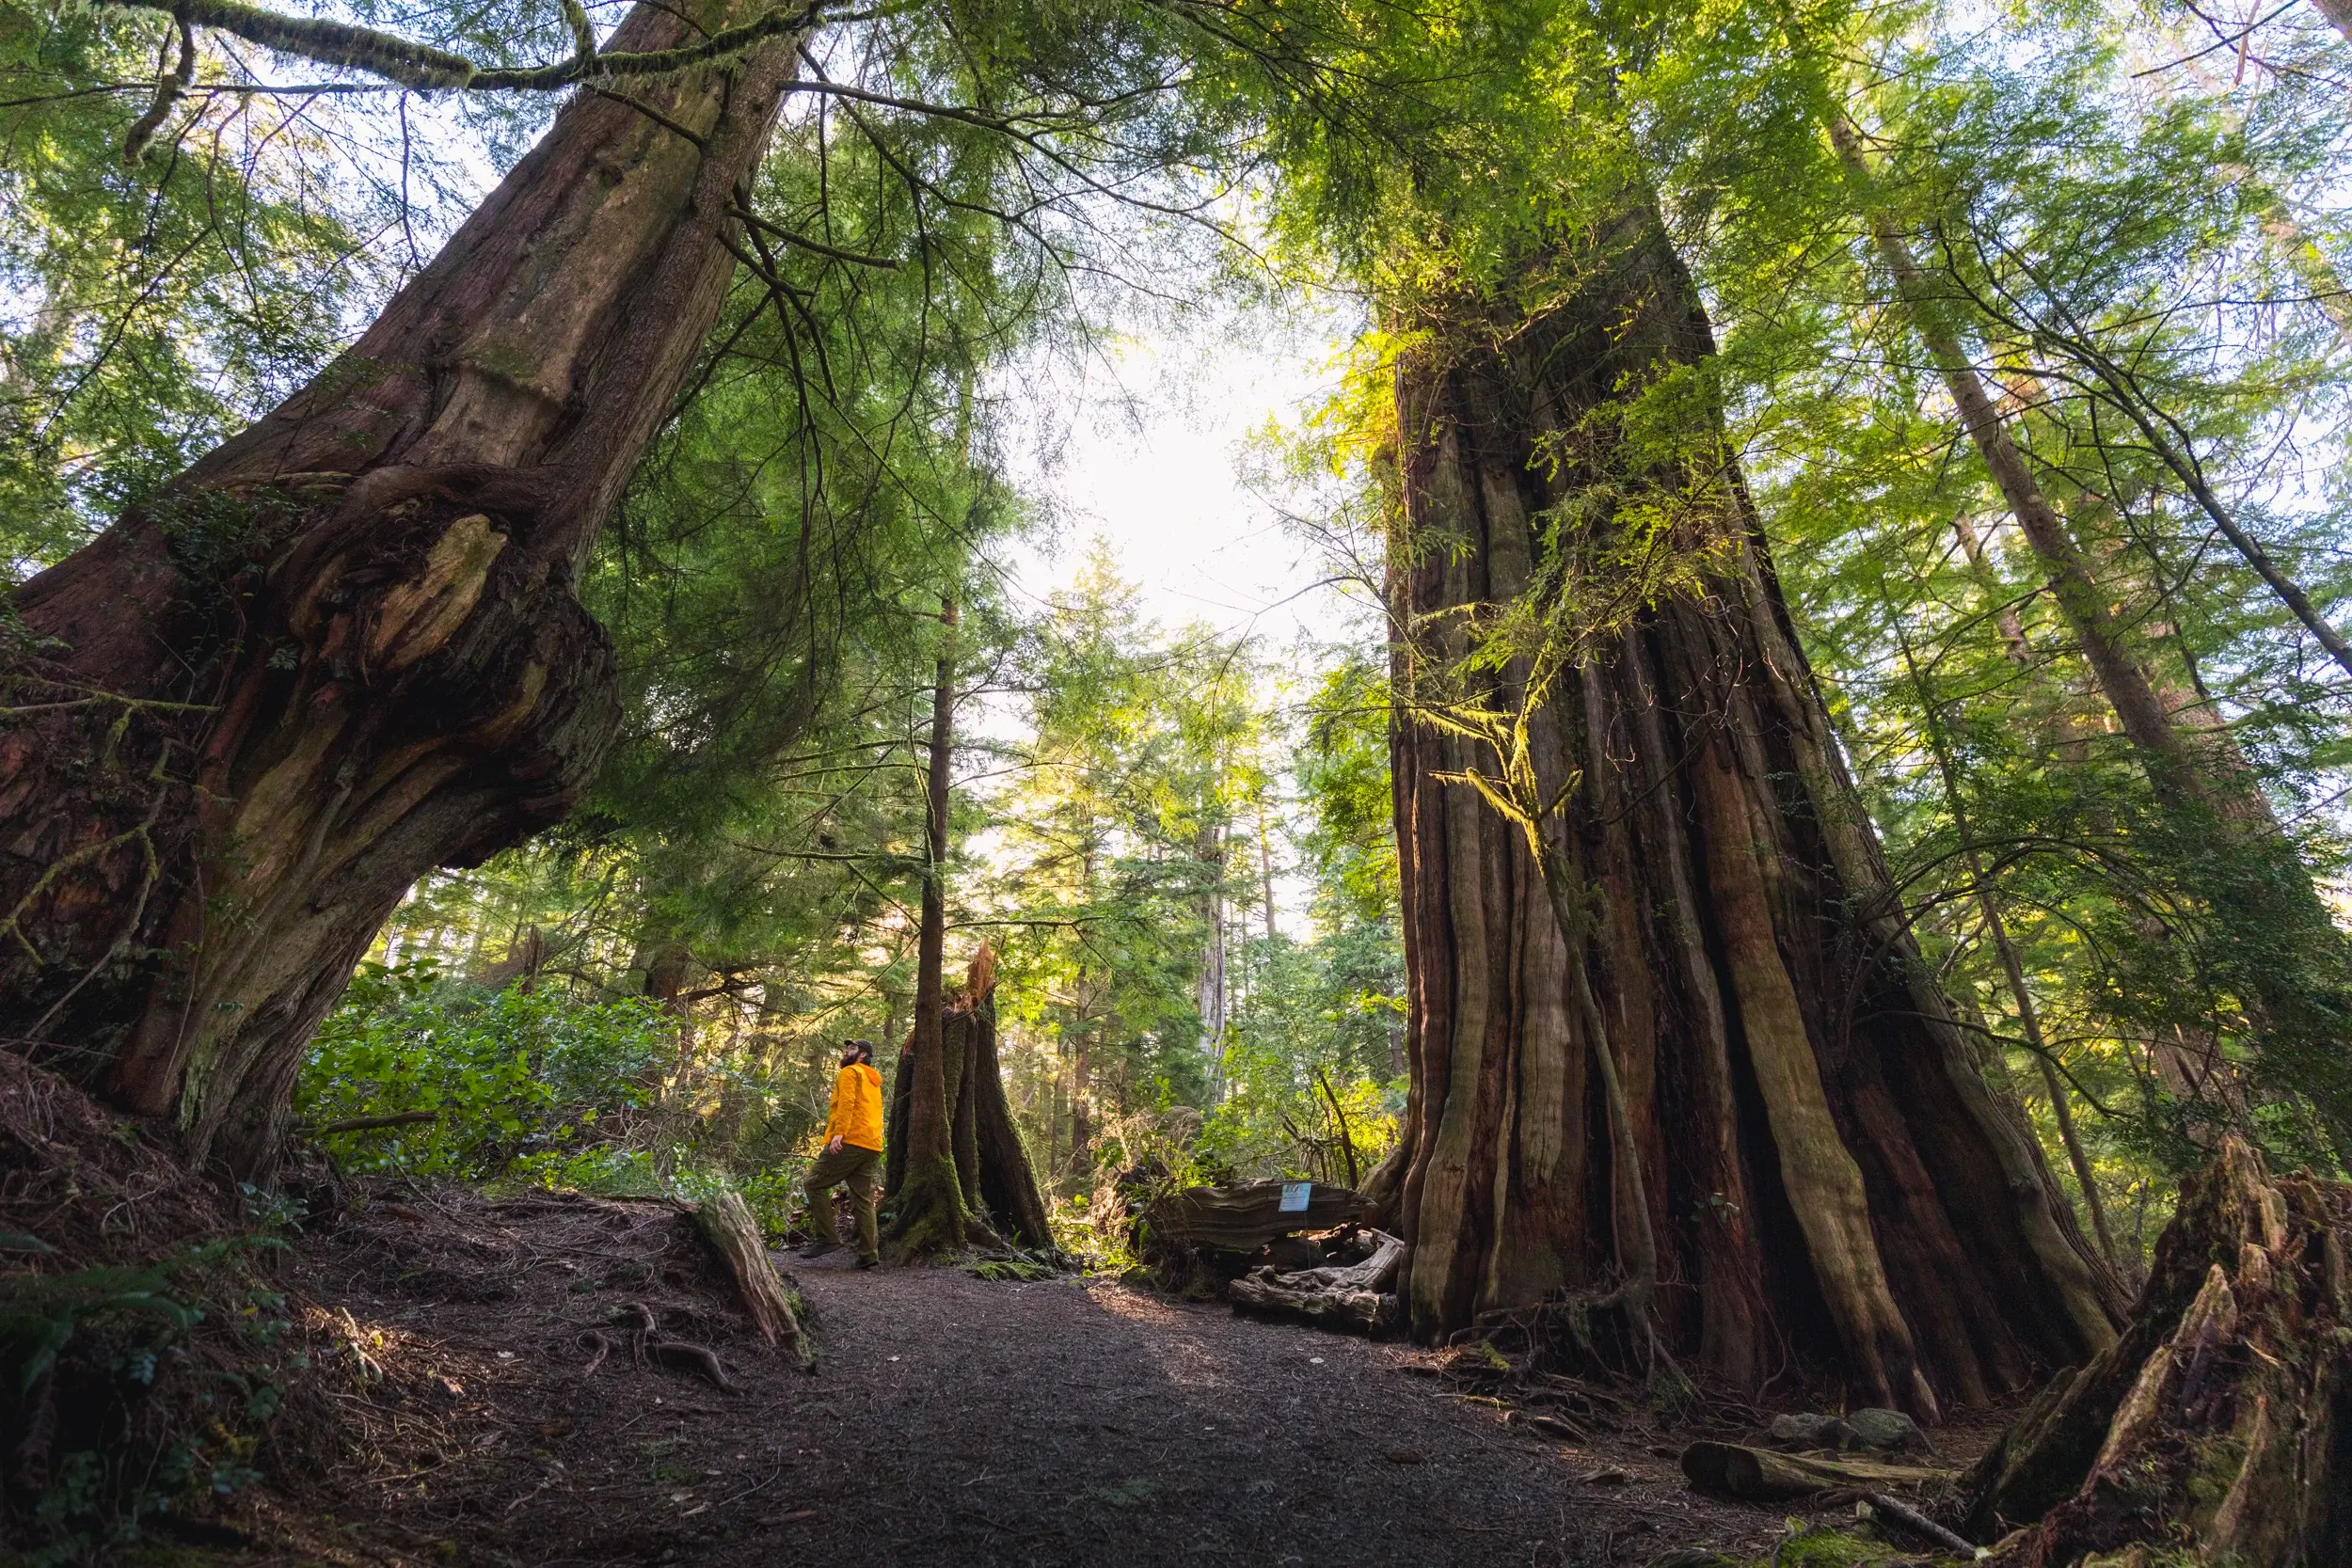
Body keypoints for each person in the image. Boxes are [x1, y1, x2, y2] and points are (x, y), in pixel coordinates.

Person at [802, 1038, 883, 1266]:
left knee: (813, 1184)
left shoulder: (851, 1073)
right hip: (872, 1145)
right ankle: (868, 1255)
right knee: (863, 1200)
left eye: (853, 1048)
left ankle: (827, 1238)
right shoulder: (873, 1080)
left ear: (862, 1055)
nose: (847, 1051)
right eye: (848, 1047)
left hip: (850, 1140)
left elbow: (847, 1103)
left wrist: (839, 1134)